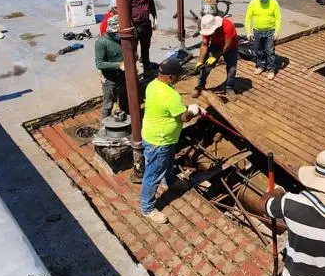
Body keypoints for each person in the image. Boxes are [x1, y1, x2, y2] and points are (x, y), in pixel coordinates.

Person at [140, 58, 203, 224]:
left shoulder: (152, 85)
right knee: (152, 175)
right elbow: (184, 118)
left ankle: (169, 181)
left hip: (152, 135)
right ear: (170, 76)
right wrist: (193, 110)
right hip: (160, 142)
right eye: (177, 76)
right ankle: (147, 208)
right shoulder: (171, 96)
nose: (179, 79)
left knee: (168, 161)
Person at [191, 14, 239, 99]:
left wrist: (215, 57)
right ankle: (200, 86)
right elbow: (205, 44)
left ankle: (229, 87)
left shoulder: (228, 26)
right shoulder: (206, 26)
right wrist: (200, 61)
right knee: (205, 66)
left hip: (231, 46)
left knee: (232, 67)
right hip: (216, 44)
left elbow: (227, 46)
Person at [94, 15, 127, 122]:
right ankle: (104, 126)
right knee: (108, 104)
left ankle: (126, 122)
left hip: (123, 76)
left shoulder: (121, 39)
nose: (119, 33)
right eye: (118, 31)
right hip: (110, 79)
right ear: (112, 31)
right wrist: (119, 65)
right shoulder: (102, 43)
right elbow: (99, 64)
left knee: (125, 101)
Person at [245, 0, 282, 80]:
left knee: (270, 51)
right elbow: (248, 18)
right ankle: (261, 65)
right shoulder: (253, 3)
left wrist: (276, 32)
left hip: (270, 30)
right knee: (259, 50)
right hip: (257, 31)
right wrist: (248, 32)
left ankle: (271, 69)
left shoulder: (274, 3)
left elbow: (278, 18)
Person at [127, 0, 157, 69]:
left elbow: (151, 2)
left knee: (146, 47)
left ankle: (146, 66)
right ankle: (132, 69)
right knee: (133, 49)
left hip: (146, 22)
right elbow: (126, 9)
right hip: (135, 24)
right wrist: (131, 26)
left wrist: (155, 18)